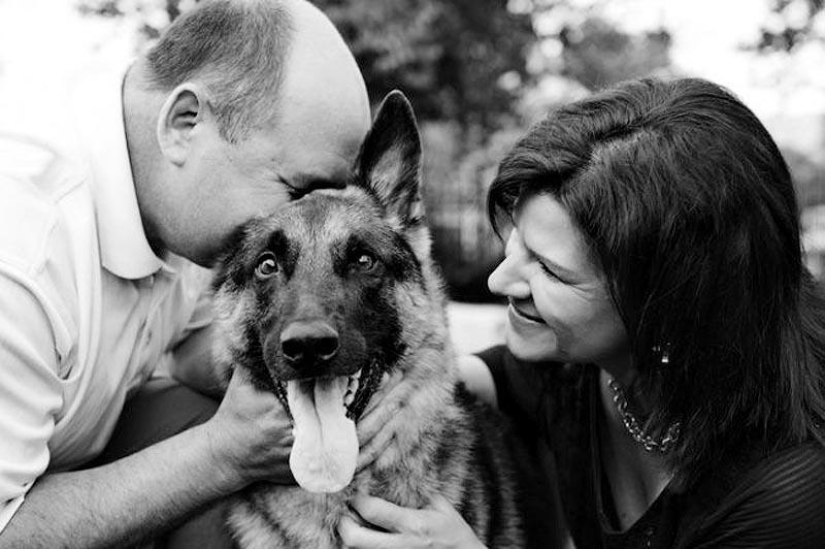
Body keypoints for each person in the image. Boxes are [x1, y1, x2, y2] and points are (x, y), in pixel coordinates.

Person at [337, 77, 825, 548]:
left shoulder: (789, 495)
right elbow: (469, 378)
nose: (499, 281)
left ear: (664, 307)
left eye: (550, 271)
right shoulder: (573, 368)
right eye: (516, 243)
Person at [0, 0, 370, 547]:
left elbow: (202, 344)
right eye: (297, 191)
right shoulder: (23, 251)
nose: (299, 224)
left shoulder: (180, 199)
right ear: (184, 122)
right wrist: (223, 453)